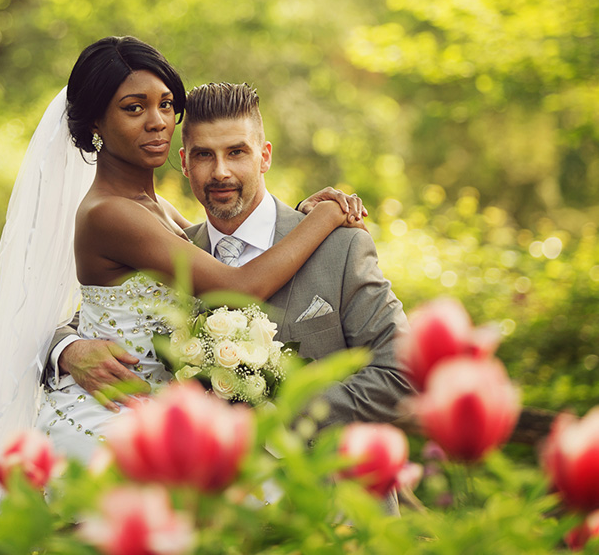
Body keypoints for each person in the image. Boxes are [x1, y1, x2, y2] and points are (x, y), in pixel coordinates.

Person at [0, 37, 361, 523]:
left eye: (166, 104)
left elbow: (217, 253)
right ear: (96, 122)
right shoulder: (110, 213)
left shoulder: (157, 209)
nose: (158, 121)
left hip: (160, 417)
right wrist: (327, 215)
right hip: (109, 421)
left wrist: (299, 215)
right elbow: (239, 287)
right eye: (134, 108)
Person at [50, 81, 412, 431]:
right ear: (185, 163)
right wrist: (67, 349)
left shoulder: (340, 247)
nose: (220, 172)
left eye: (236, 152)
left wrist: (281, 419)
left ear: (264, 156)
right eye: (204, 155)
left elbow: (401, 373)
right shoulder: (174, 246)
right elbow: (105, 315)